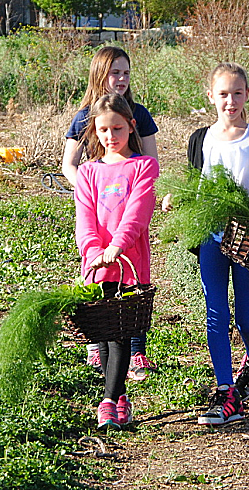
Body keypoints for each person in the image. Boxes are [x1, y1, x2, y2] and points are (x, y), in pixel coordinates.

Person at [186, 63, 249, 426]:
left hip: (248, 238)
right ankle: (226, 392)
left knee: (246, 319)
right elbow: (195, 184)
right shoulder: (201, 138)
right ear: (210, 96)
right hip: (212, 233)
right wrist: (177, 200)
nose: (230, 101)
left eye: (237, 93)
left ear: (247, 95)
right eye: (223, 94)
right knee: (216, 312)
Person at [63, 46, 158, 381]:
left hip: (129, 212)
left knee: (132, 284)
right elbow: (69, 164)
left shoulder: (139, 114)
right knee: (99, 283)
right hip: (97, 209)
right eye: (114, 72)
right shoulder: (83, 117)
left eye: (126, 73)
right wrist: (90, 188)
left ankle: (136, 350)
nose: (121, 79)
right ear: (99, 74)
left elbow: (151, 162)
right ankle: (96, 344)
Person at [74, 94, 159, 431]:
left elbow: (138, 212)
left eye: (118, 128)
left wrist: (118, 246)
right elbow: (85, 219)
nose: (111, 136)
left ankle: (108, 401)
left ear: (131, 126)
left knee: (122, 333)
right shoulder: (88, 172)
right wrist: (94, 251)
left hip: (129, 263)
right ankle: (119, 397)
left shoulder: (143, 166)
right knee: (105, 332)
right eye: (104, 130)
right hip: (98, 264)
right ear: (95, 131)